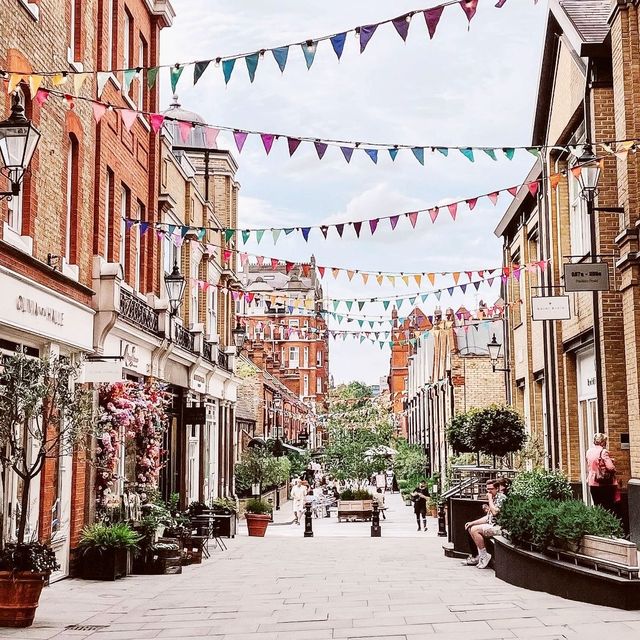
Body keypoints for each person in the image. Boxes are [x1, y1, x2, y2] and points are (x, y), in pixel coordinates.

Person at [462, 478, 506, 569]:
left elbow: (495, 513)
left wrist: (489, 500)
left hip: (498, 527)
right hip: (491, 524)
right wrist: (472, 523)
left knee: (475, 530)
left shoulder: (501, 498)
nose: (489, 491)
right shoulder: (494, 498)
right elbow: (488, 518)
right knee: (471, 527)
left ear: (497, 489)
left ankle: (485, 556)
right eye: (488, 489)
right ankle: (480, 556)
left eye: (491, 489)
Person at [586, 432, 617, 512]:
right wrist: (613, 464)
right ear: (602, 442)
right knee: (608, 505)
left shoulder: (589, 451)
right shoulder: (603, 452)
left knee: (597, 505)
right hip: (604, 482)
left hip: (592, 481)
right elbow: (610, 468)